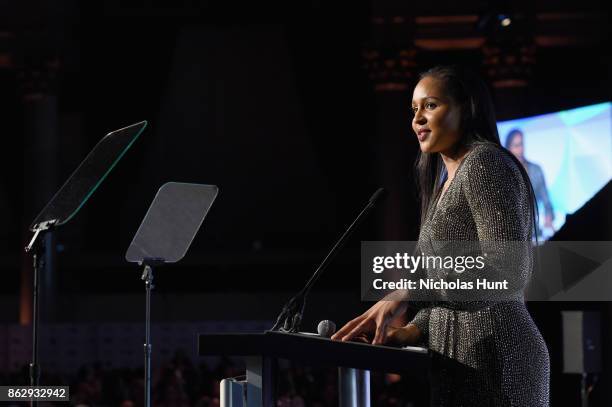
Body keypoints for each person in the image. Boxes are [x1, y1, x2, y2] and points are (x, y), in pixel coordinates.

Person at [331, 65, 550, 406]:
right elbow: (448, 301)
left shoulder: (485, 164)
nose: (418, 119)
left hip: (500, 360)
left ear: (467, 108)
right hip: (457, 365)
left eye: (430, 105)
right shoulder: (442, 184)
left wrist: (404, 291)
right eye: (414, 109)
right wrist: (401, 335)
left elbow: (507, 270)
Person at [505, 129, 555, 236]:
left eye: (522, 144)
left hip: (536, 231)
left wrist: (548, 217)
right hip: (513, 235)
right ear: (509, 148)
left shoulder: (536, 170)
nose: (521, 149)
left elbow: (546, 201)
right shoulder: (503, 174)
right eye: (516, 145)